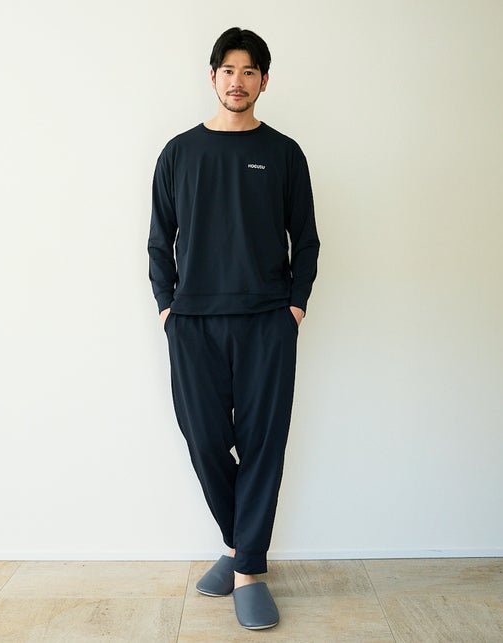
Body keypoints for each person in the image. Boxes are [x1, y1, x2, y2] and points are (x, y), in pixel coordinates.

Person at [148, 27, 319, 630]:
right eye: (228, 70)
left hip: (267, 321)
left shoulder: (284, 153)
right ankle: (239, 545)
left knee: (263, 443)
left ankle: (247, 571)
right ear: (213, 77)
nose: (237, 81)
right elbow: (159, 240)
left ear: (264, 81)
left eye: (249, 71)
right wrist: (167, 308)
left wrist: (295, 307)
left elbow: (307, 239)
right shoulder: (178, 153)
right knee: (204, 440)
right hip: (193, 322)